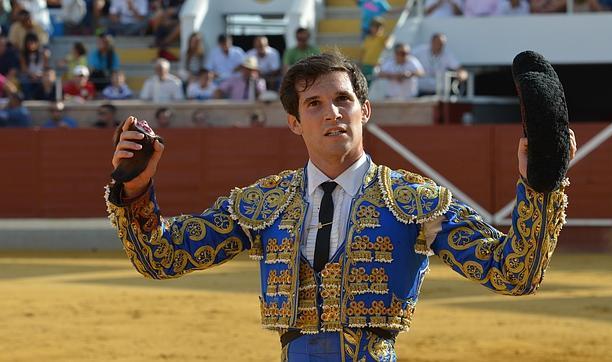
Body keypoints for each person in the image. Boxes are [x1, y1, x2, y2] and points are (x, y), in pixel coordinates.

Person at [107, 51, 576, 360]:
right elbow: (161, 258)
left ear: (364, 110)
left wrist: (539, 186)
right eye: (314, 103)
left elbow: (514, 272)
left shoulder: (413, 201)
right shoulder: (263, 204)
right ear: (294, 122)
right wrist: (135, 192)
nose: (331, 112)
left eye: (343, 100)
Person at [358, 17, 388, 85]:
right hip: (366, 64)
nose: (376, 29)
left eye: (379, 27)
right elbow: (363, 52)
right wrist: (360, 63)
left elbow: (388, 46)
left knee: (372, 84)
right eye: (374, 26)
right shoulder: (367, 38)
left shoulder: (383, 38)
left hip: (375, 65)